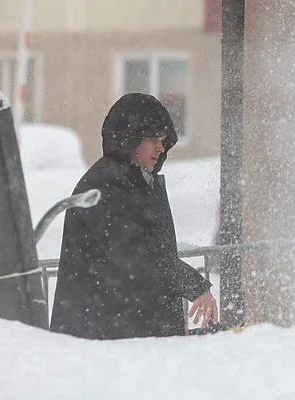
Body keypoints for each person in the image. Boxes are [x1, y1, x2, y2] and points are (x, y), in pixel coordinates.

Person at [50, 93, 218, 340]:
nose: (161, 147)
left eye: (162, 140)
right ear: (130, 140)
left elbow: (154, 258)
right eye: (153, 139)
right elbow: (137, 259)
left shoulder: (136, 182)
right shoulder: (104, 188)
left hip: (128, 334)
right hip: (102, 341)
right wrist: (195, 287)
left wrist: (171, 323)